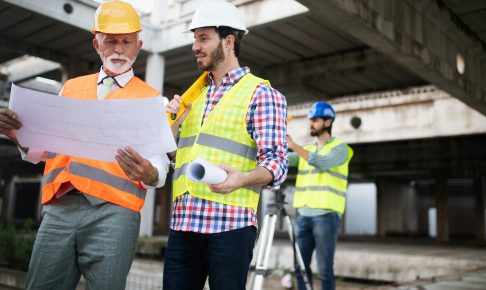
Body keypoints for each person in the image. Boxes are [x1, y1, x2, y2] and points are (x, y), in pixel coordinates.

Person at [0, 1, 169, 289]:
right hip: (59, 208)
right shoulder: (71, 87)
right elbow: (48, 149)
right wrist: (18, 137)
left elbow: (160, 165)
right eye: (111, 40)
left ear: (139, 46)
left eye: (126, 41)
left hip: (114, 214)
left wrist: (149, 173)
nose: (119, 49)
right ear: (96, 44)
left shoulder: (152, 98)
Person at [163, 1, 288, 289]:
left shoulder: (261, 94)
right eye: (194, 38)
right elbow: (178, 158)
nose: (195, 45)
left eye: (203, 37)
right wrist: (171, 128)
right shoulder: (192, 97)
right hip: (183, 225)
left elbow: (277, 164)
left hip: (229, 228)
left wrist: (242, 178)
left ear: (228, 41)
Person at [287, 101, 353, 290]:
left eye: (315, 120)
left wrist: (294, 145)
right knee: (299, 267)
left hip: (326, 217)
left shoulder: (342, 149)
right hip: (303, 217)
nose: (311, 124)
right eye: (310, 120)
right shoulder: (306, 150)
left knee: (324, 271)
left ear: (327, 122)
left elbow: (323, 162)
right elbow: (283, 160)